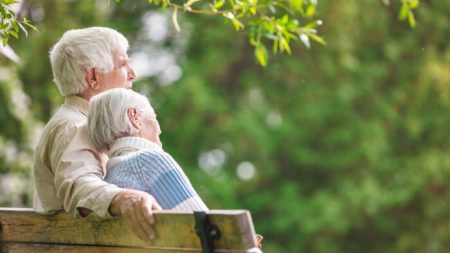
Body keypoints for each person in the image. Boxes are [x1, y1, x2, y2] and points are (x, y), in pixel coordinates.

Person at [33, 27, 160, 243]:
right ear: (93, 77)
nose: (133, 73)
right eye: (122, 64)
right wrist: (125, 198)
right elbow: (79, 185)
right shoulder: (73, 126)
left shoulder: (87, 124)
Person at [87, 88, 208, 211]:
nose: (159, 128)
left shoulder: (110, 178)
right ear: (134, 116)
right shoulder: (150, 161)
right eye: (154, 116)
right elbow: (203, 224)